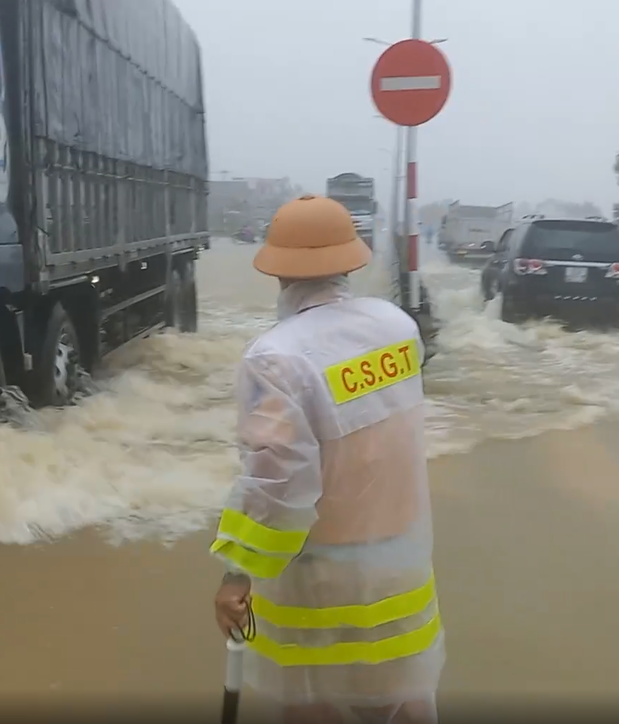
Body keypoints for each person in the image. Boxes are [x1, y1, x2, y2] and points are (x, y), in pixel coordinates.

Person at [211, 195, 444, 724]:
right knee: (405, 700)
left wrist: (236, 574)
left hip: (320, 579)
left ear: (276, 270)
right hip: (401, 567)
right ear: (348, 260)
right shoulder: (397, 328)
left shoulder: (276, 357)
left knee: (317, 703)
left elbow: (278, 485)